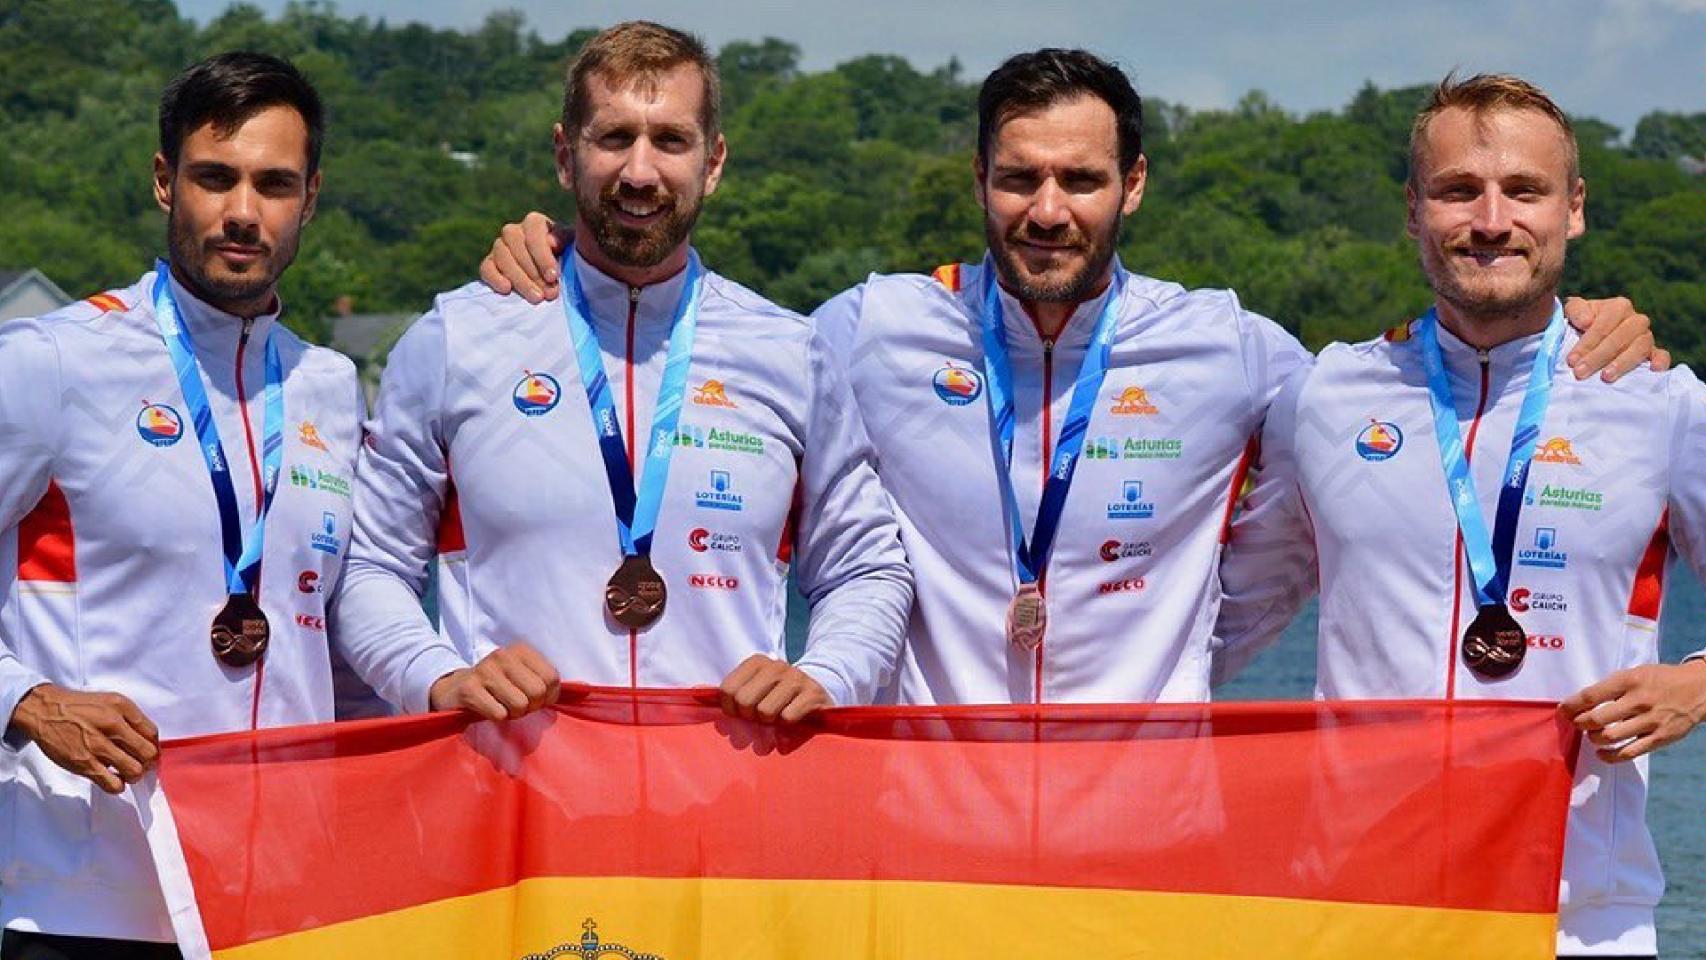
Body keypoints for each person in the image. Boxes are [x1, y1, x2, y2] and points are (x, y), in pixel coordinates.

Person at [481, 48, 1660, 707]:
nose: (1047, 210)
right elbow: (692, 336)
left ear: (1131, 186)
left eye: (1081, 180)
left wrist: (1590, 326)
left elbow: (1423, 409)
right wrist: (549, 257)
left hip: (1146, 825)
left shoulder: (1239, 351)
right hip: (913, 816)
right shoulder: (859, 328)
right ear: (979, 178)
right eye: (1017, 176)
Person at [1214, 73, 1706, 959]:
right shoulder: (1325, 396)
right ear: (1413, 210)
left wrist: (1700, 681)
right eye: (1457, 191)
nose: (1489, 220)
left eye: (1524, 191)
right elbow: (1217, 623)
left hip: (1578, 916)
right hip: (1359, 905)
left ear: (1575, 208)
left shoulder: (1660, 403)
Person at [331, 21, 912, 724]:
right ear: (565, 155)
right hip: (513, 799)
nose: (640, 172)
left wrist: (827, 673)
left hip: (721, 796)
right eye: (613, 138)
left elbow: (866, 569)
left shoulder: (790, 351)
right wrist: (440, 677)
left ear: (714, 160)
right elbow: (368, 569)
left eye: (670, 140)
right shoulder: (456, 339)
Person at [0, 52, 372, 958]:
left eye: (274, 184)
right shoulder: (50, 361)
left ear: (310, 198)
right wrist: (26, 700)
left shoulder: (329, 385)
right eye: (216, 177)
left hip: (280, 902)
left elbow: (346, 620)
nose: (243, 212)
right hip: (85, 906)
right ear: (167, 181)